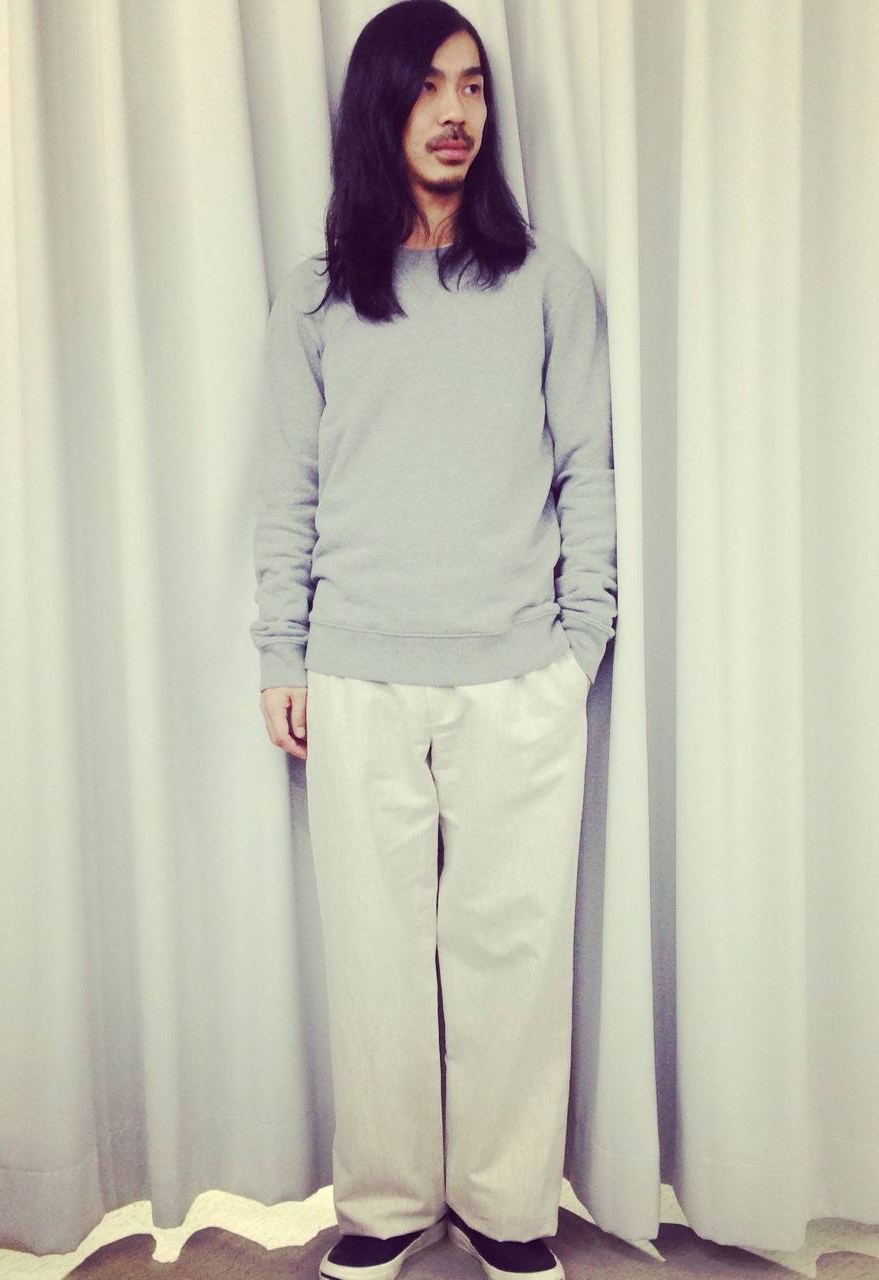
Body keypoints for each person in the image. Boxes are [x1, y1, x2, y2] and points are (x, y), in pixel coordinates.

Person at [250, 3, 616, 1277]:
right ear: (381, 107)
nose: (455, 112)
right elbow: (288, 484)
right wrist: (280, 651)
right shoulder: (316, 297)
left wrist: (580, 641)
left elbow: (585, 468)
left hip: (517, 673)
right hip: (357, 671)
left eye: (471, 86)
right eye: (427, 89)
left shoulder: (548, 283)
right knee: (376, 958)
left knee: (512, 953)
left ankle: (509, 1208)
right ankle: (388, 1204)